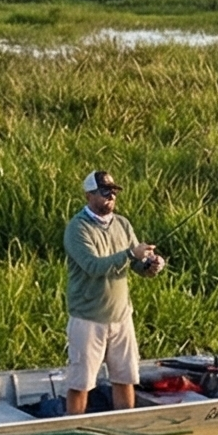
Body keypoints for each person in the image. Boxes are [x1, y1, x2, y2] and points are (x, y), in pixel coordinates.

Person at [62, 169, 162, 415]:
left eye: (114, 192)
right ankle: (74, 427)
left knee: (125, 378)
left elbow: (138, 265)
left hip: (121, 317)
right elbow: (93, 267)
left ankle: (124, 427)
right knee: (81, 383)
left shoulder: (123, 224)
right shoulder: (77, 229)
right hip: (88, 318)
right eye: (104, 192)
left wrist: (151, 265)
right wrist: (130, 254)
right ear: (89, 195)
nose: (111, 198)